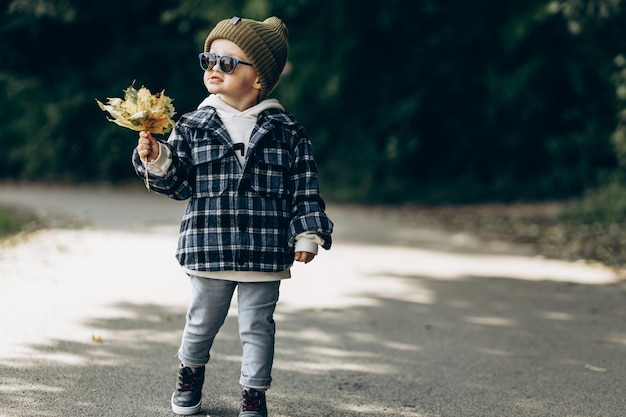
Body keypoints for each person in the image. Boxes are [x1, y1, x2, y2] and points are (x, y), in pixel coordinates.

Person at [131, 16, 333, 417]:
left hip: (264, 249)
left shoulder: (287, 130)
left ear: (258, 78)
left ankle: (253, 393)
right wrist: (157, 158)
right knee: (202, 320)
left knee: (258, 327)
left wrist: (307, 233)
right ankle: (190, 372)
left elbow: (304, 188)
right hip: (209, 244)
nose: (214, 70)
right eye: (209, 60)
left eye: (227, 63)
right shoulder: (192, 125)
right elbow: (180, 185)